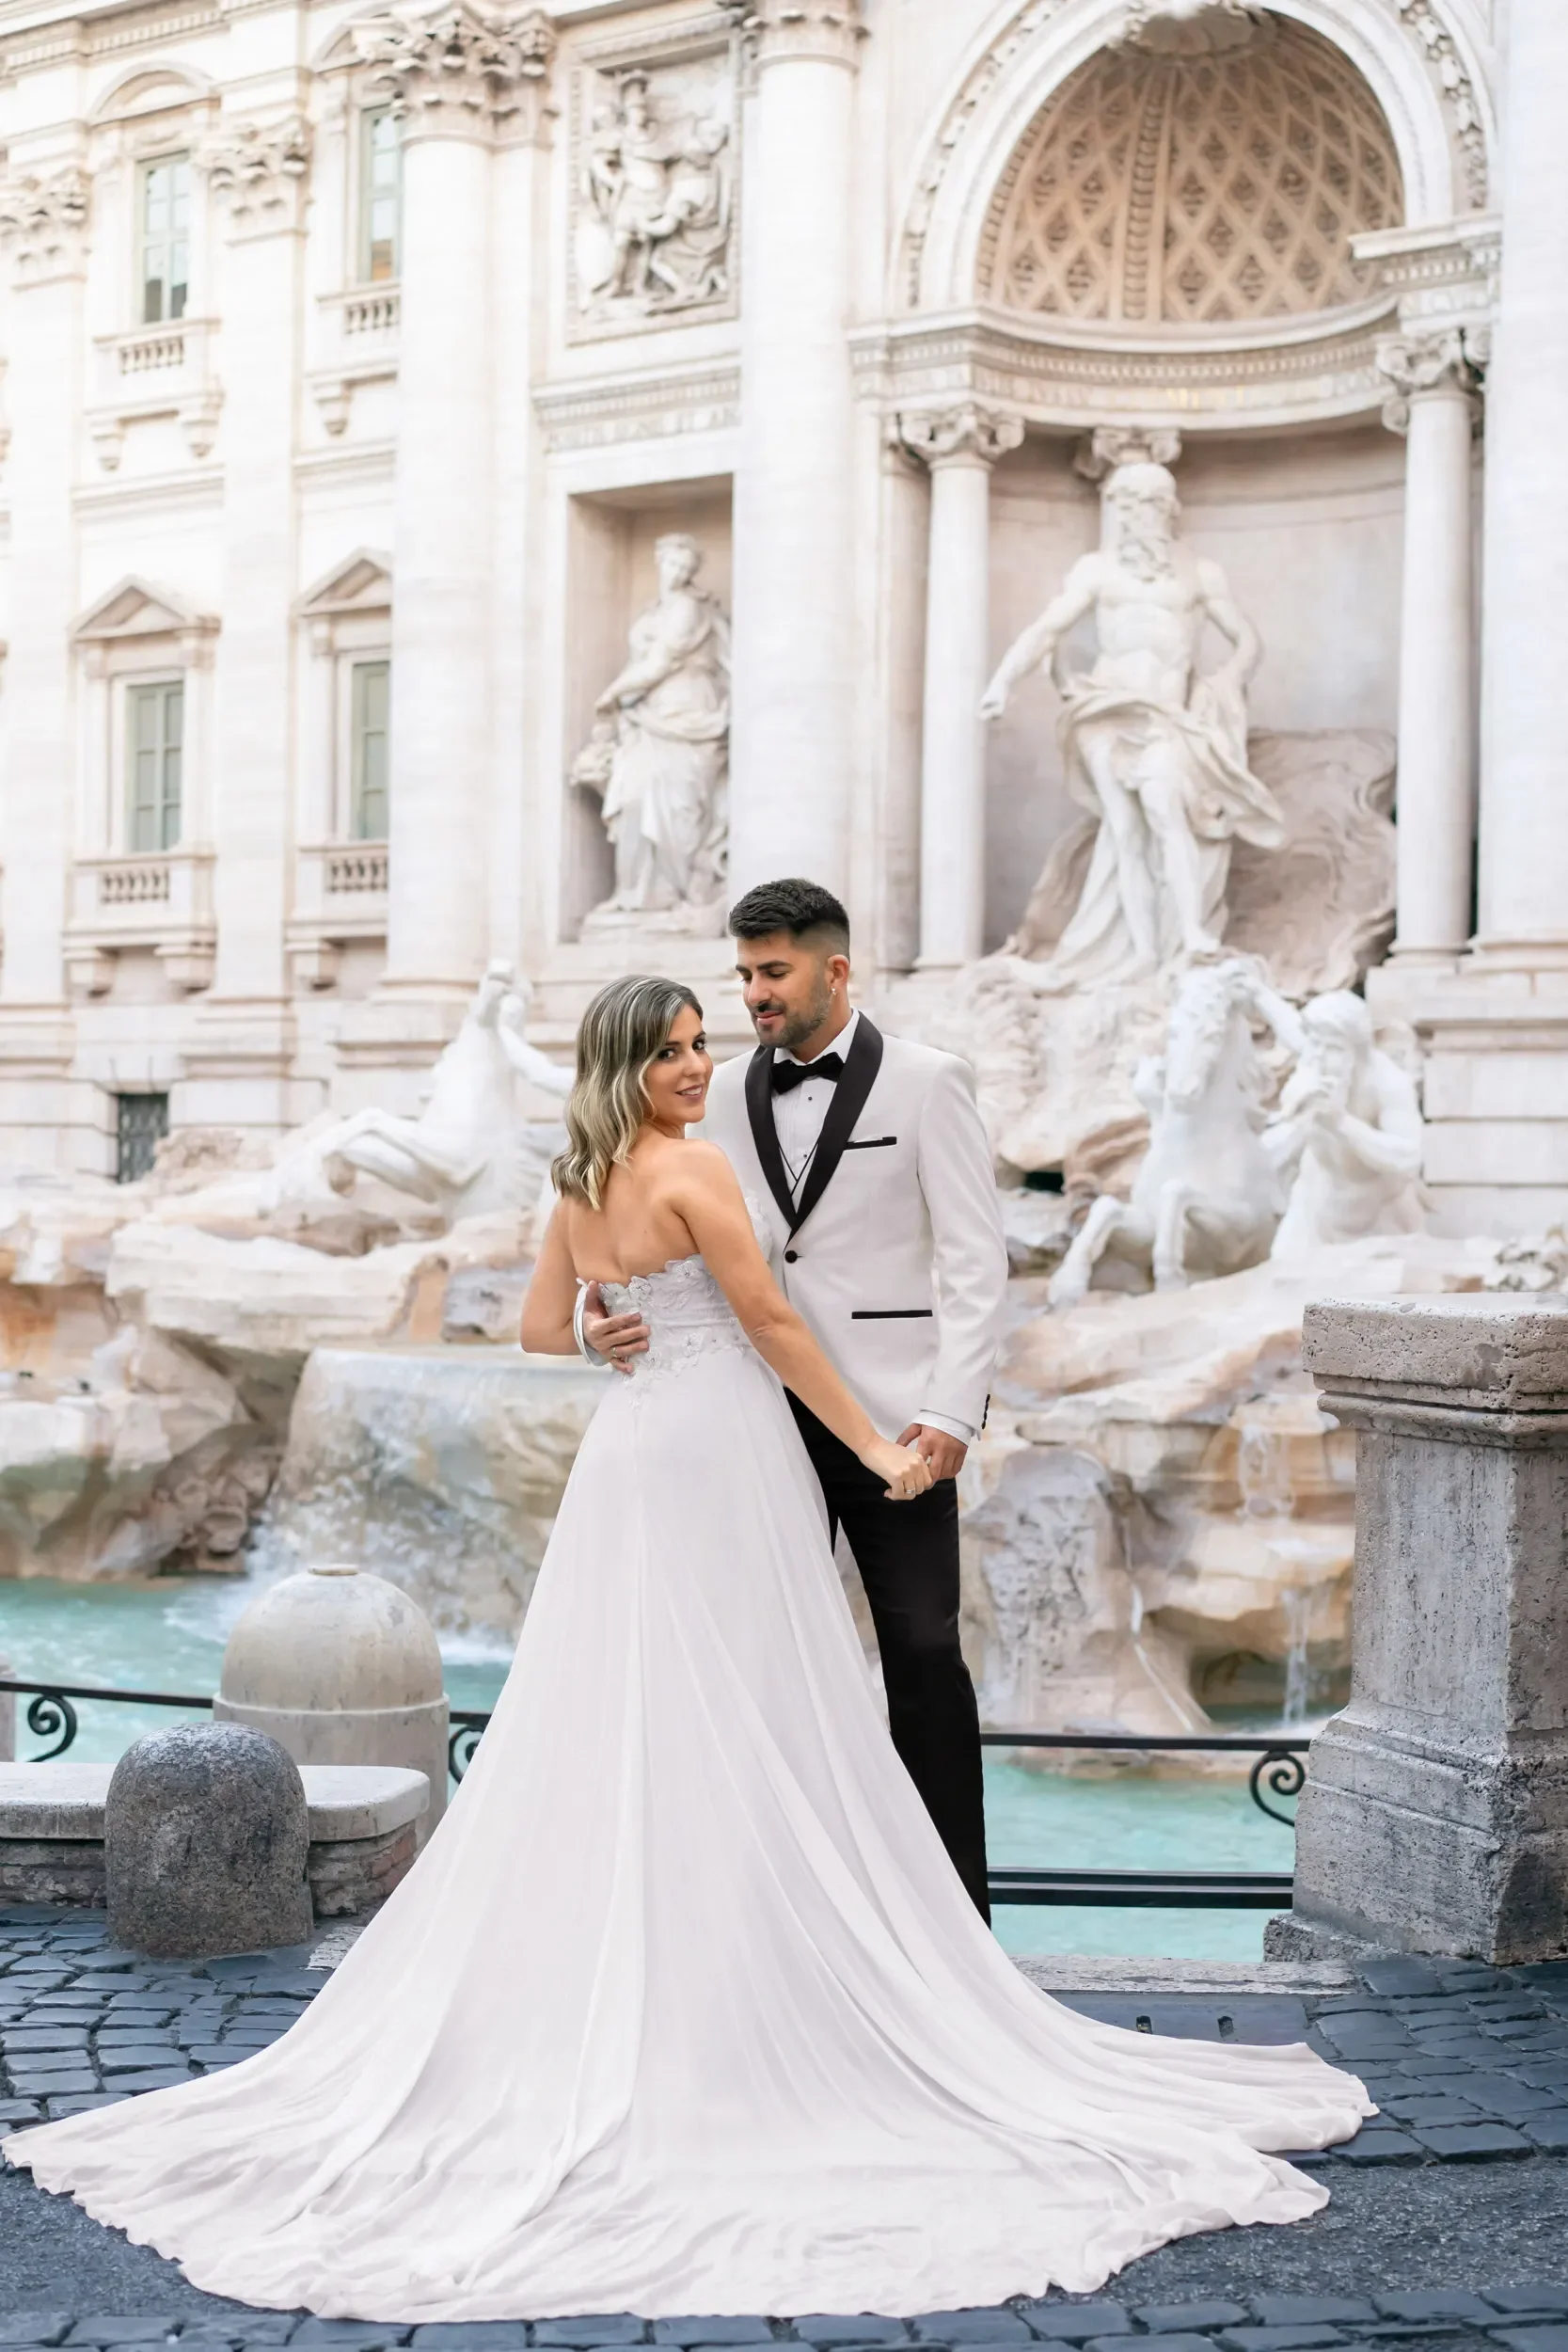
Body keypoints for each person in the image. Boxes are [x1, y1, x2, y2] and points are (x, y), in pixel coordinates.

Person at [3, 972, 1371, 2318]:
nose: (694, 1065)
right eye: (670, 1050)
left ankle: (655, 1962)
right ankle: (746, 1976)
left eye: (699, 1043)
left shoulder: (579, 1176)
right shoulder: (693, 1168)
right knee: (757, 1700)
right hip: (721, 1451)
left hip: (630, 1454)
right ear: (623, 1062)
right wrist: (875, 1441)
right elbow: (773, 1325)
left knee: (628, 1703)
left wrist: (607, 1326)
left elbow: (545, 1327)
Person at [584, 877, 1004, 1916]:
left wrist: (950, 1414)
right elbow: (632, 1227)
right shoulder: (710, 1089)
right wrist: (600, 1317)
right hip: (748, 1421)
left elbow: (973, 1261)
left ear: (833, 968)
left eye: (771, 973)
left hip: (893, 1426)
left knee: (920, 1654)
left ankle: (952, 1922)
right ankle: (776, 1918)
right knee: (755, 1663)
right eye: (743, 975)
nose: (754, 995)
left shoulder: (928, 1082)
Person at [980, 461, 1285, 989]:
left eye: (1142, 504)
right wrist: (1002, 682)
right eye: (1123, 505)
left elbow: (1247, 639)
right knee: (1124, 832)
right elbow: (1047, 628)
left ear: (1166, 509)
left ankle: (1190, 933)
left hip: (1165, 715)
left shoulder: (1199, 573)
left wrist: (1229, 679)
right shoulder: (1096, 570)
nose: (1131, 516)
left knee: (1168, 814)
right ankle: (1145, 957)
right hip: (1105, 708)